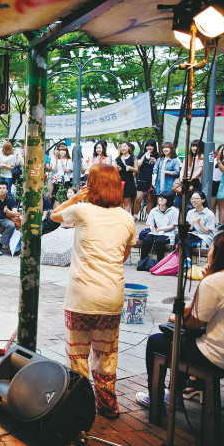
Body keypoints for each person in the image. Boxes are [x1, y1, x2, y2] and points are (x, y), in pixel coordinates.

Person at [50, 164, 135, 418]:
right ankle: (108, 405)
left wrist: (75, 198)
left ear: (93, 186)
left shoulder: (82, 210)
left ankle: (79, 408)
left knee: (77, 355)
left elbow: (54, 215)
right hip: (111, 297)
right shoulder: (127, 217)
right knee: (106, 354)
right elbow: (123, 256)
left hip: (80, 297)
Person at [135, 231, 224, 414]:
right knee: (181, 341)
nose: (209, 252)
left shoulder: (215, 281)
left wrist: (176, 316)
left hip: (221, 356)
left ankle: (156, 404)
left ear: (219, 253)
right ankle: (175, 395)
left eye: (211, 248)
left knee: (157, 342)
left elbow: (193, 323)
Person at [138, 191, 179, 265]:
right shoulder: (154, 210)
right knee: (147, 239)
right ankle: (142, 262)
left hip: (168, 233)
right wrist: (152, 228)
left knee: (160, 241)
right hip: (156, 232)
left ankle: (159, 263)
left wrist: (160, 229)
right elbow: (150, 224)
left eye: (164, 198)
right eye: (160, 197)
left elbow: (173, 226)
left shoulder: (174, 211)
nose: (161, 199)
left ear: (168, 200)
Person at [182, 190, 216, 264]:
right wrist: (192, 224)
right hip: (194, 234)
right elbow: (190, 229)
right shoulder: (190, 212)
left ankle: (187, 260)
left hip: (205, 237)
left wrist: (199, 223)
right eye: (192, 199)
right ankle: (188, 259)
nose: (193, 201)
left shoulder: (209, 214)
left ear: (203, 200)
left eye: (195, 199)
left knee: (184, 242)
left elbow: (207, 231)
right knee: (183, 237)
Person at [133, 139, 158, 218]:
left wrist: (155, 162)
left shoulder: (157, 155)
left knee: (150, 198)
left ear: (154, 147)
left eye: (151, 146)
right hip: (142, 178)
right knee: (138, 198)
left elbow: (159, 166)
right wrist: (144, 156)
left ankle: (148, 217)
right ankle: (135, 216)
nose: (149, 147)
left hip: (153, 178)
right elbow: (138, 165)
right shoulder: (141, 155)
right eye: (147, 145)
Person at [115, 141, 137, 214]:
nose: (123, 148)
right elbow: (114, 171)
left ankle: (126, 219)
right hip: (119, 182)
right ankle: (120, 219)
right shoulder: (117, 159)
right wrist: (116, 169)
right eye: (121, 147)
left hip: (129, 181)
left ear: (129, 147)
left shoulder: (133, 158)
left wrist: (131, 168)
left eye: (124, 146)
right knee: (119, 202)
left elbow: (136, 170)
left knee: (127, 202)